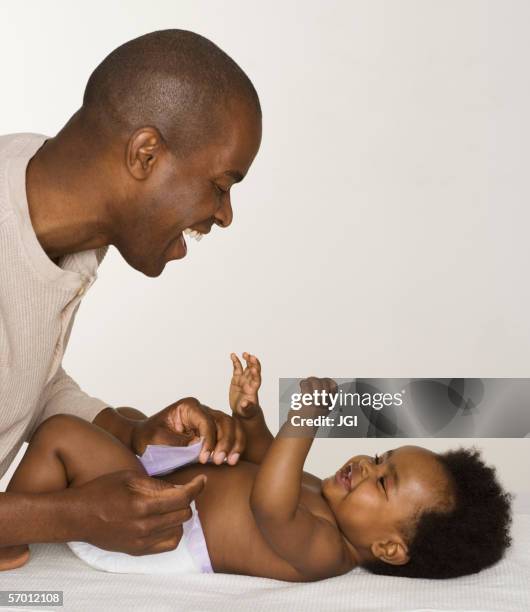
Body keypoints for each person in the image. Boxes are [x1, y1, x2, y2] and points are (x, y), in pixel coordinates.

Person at [0, 29, 262, 564]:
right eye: (220, 184)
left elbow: (21, 378)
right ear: (145, 154)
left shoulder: (48, 210)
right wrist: (71, 514)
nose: (225, 214)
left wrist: (131, 431)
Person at [3, 353, 513, 581]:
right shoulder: (324, 495)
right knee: (131, 420)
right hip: (156, 482)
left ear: (387, 548)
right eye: (380, 457)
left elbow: (269, 503)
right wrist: (252, 415)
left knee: (61, 434)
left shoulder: (324, 552)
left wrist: (304, 422)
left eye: (383, 482)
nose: (364, 464)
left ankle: (13, 532)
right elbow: (265, 459)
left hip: (149, 527)